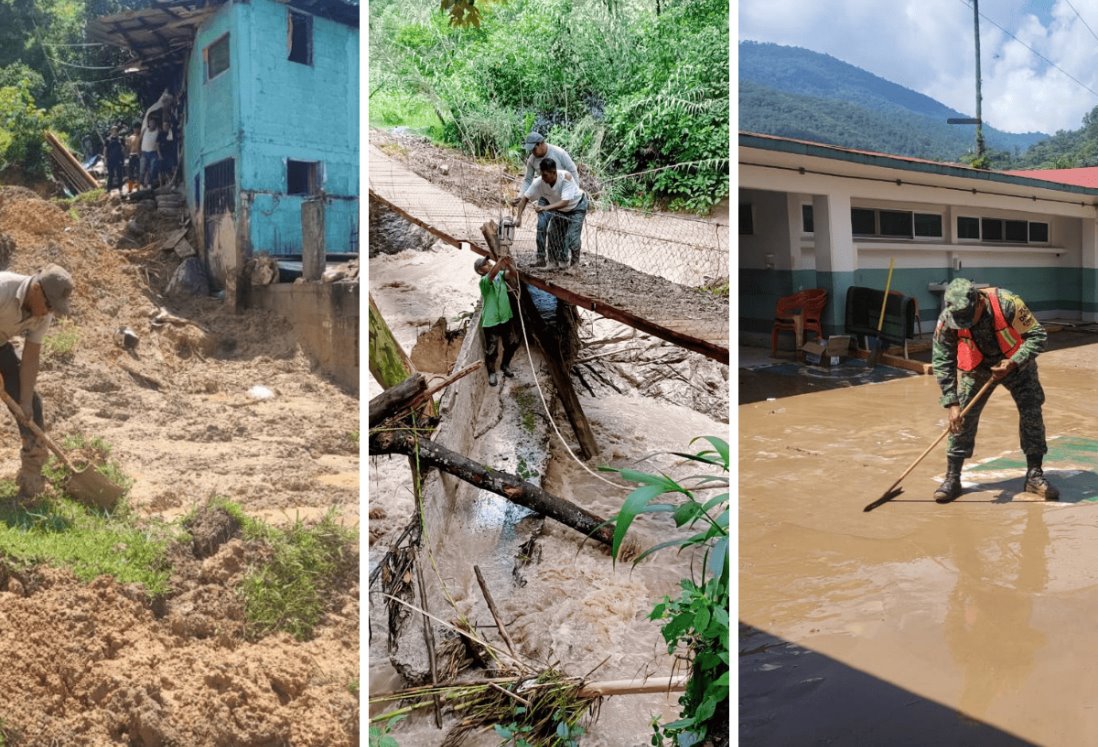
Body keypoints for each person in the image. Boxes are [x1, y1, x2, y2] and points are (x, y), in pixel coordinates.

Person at [931, 278, 1057, 503]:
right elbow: (942, 359)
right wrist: (951, 403)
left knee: (1032, 412)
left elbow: (1038, 336)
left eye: (968, 319)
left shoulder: (1008, 303)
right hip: (977, 367)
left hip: (1016, 365)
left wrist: (1013, 363)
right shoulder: (948, 319)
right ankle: (953, 478)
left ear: (979, 303)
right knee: (962, 418)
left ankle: (1034, 475)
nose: (964, 324)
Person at [0, 265, 73, 499]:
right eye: (48, 305)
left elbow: (31, 358)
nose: (47, 312)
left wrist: (25, 403)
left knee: (32, 403)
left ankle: (31, 482)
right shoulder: (3, 289)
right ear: (35, 288)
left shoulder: (44, 314)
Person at [512, 133, 580, 268]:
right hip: (545, 195)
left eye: (533, 149)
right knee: (541, 226)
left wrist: (572, 195)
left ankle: (562, 259)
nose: (532, 152)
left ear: (541, 144)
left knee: (561, 229)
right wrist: (521, 196)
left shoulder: (559, 153)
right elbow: (528, 180)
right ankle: (541, 258)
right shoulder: (532, 160)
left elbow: (573, 172)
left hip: (562, 197)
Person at [475, 256, 519, 387]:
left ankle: (505, 365)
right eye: (484, 263)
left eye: (488, 261)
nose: (488, 263)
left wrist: (508, 264)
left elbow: (513, 274)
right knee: (492, 349)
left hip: (505, 316)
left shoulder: (500, 274)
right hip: (491, 320)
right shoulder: (484, 281)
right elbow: (492, 274)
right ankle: (492, 373)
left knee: (511, 343)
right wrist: (500, 262)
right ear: (480, 271)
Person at [103, 125, 125, 196]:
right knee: (111, 175)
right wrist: (105, 159)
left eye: (116, 131)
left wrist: (123, 156)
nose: (114, 132)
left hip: (119, 159)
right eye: (113, 131)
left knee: (120, 175)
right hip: (110, 159)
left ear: (117, 132)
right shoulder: (108, 139)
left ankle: (120, 189)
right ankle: (108, 190)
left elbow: (124, 149)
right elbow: (105, 150)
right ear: (111, 131)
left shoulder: (121, 139)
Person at [126, 120, 142, 193]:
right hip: (132, 156)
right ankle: (130, 188)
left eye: (138, 128)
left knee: (138, 173)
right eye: (135, 128)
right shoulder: (130, 137)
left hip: (139, 156)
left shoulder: (141, 136)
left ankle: (138, 188)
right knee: (130, 173)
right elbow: (128, 148)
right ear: (133, 129)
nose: (136, 130)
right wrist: (128, 155)